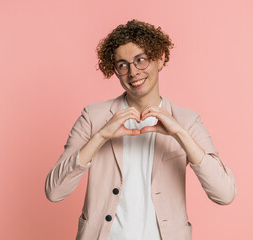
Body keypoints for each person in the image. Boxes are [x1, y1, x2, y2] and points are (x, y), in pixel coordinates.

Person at [45, 19, 236, 240]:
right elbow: (54, 192)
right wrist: (101, 136)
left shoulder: (188, 120)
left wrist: (180, 135)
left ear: (161, 58)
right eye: (123, 64)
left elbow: (225, 194)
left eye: (141, 60)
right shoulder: (93, 116)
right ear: (115, 70)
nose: (133, 72)